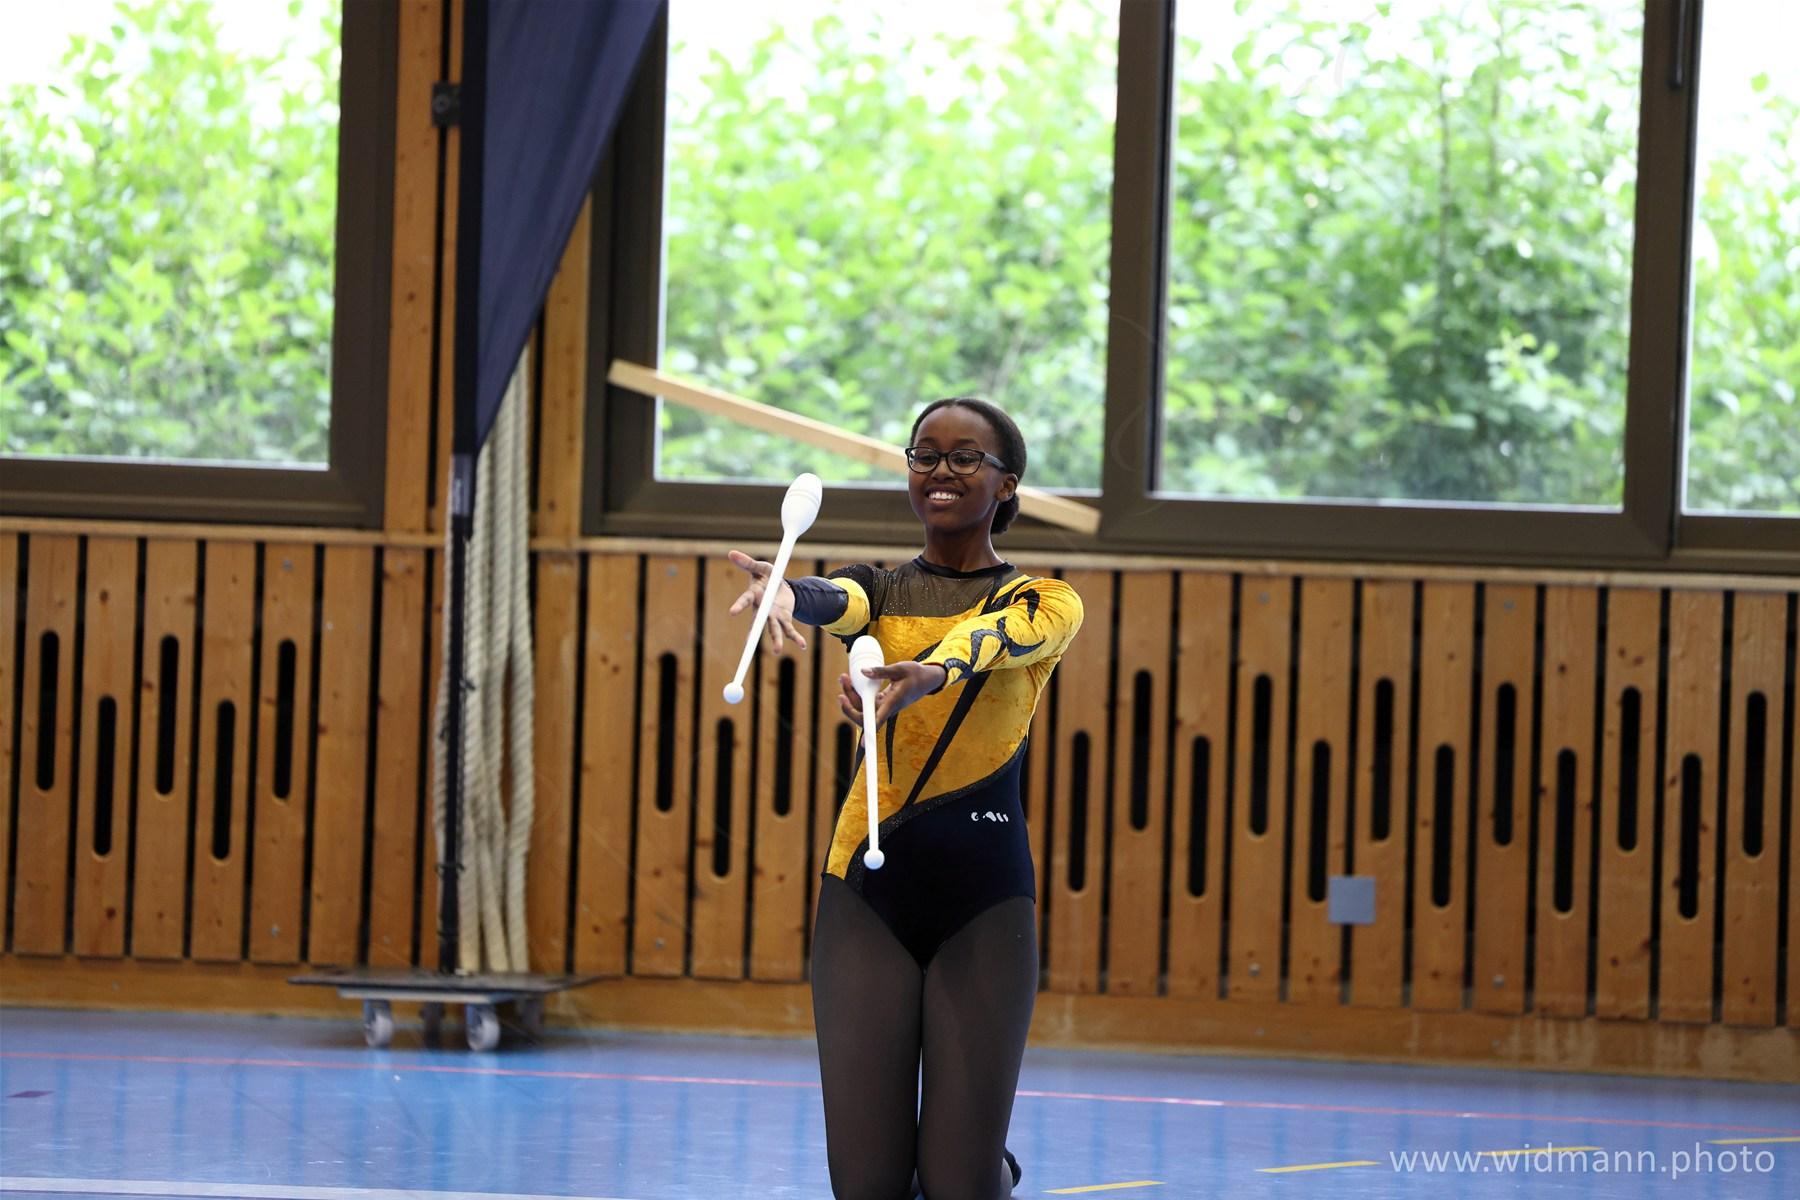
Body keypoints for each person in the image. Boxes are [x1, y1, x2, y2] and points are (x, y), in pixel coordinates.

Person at [725, 398, 1083, 1200]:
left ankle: (989, 1167)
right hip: (865, 895)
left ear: (1007, 483)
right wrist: (785, 595)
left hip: (983, 903)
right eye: (925, 455)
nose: (941, 471)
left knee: (958, 1185)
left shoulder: (1044, 599)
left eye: (965, 457)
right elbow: (833, 599)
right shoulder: (878, 589)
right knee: (867, 1186)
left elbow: (992, 639)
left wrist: (931, 673)